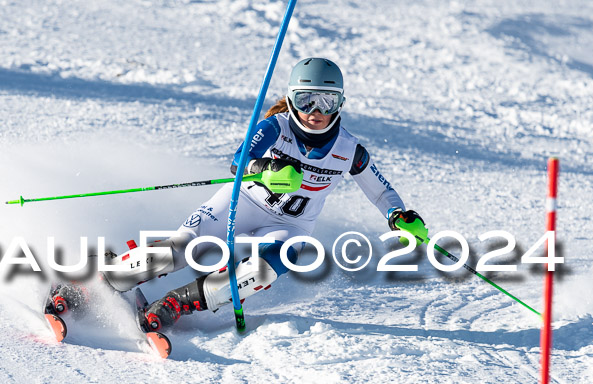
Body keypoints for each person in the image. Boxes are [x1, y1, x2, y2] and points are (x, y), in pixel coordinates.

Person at [99, 57, 428, 332]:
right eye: (305, 100)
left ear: (340, 103)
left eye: (326, 101)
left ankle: (174, 304)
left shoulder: (349, 150)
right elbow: (237, 161)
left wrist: (398, 215)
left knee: (265, 269)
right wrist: (265, 169)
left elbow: (382, 191)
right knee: (181, 249)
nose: (315, 111)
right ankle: (109, 277)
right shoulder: (276, 127)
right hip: (243, 203)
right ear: (292, 98)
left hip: (290, 226)